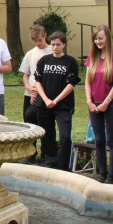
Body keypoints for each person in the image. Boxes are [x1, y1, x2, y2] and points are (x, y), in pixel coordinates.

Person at [85, 25, 113, 184]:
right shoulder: (92, 57)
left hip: (112, 103)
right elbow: (88, 82)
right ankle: (102, 173)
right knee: (99, 140)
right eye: (95, 39)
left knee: (111, 140)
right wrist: (89, 101)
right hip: (94, 104)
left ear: (108, 38)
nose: (98, 41)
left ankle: (112, 176)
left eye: (101, 38)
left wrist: (106, 102)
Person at [34, 32, 80, 171]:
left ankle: (63, 164)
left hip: (63, 106)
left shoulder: (70, 62)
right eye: (53, 44)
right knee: (47, 134)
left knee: (65, 136)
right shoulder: (44, 60)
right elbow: (38, 81)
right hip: (45, 105)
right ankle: (50, 160)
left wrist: (56, 100)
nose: (55, 47)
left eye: (58, 44)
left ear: (64, 45)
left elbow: (71, 84)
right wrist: (46, 100)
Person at [18, 25, 51, 164]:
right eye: (35, 41)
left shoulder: (51, 51)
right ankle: (30, 153)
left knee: (44, 124)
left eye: (39, 40)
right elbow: (26, 74)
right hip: (30, 93)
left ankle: (45, 154)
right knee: (29, 122)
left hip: (44, 94)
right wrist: (28, 86)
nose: (38, 43)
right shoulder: (31, 53)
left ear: (45, 35)